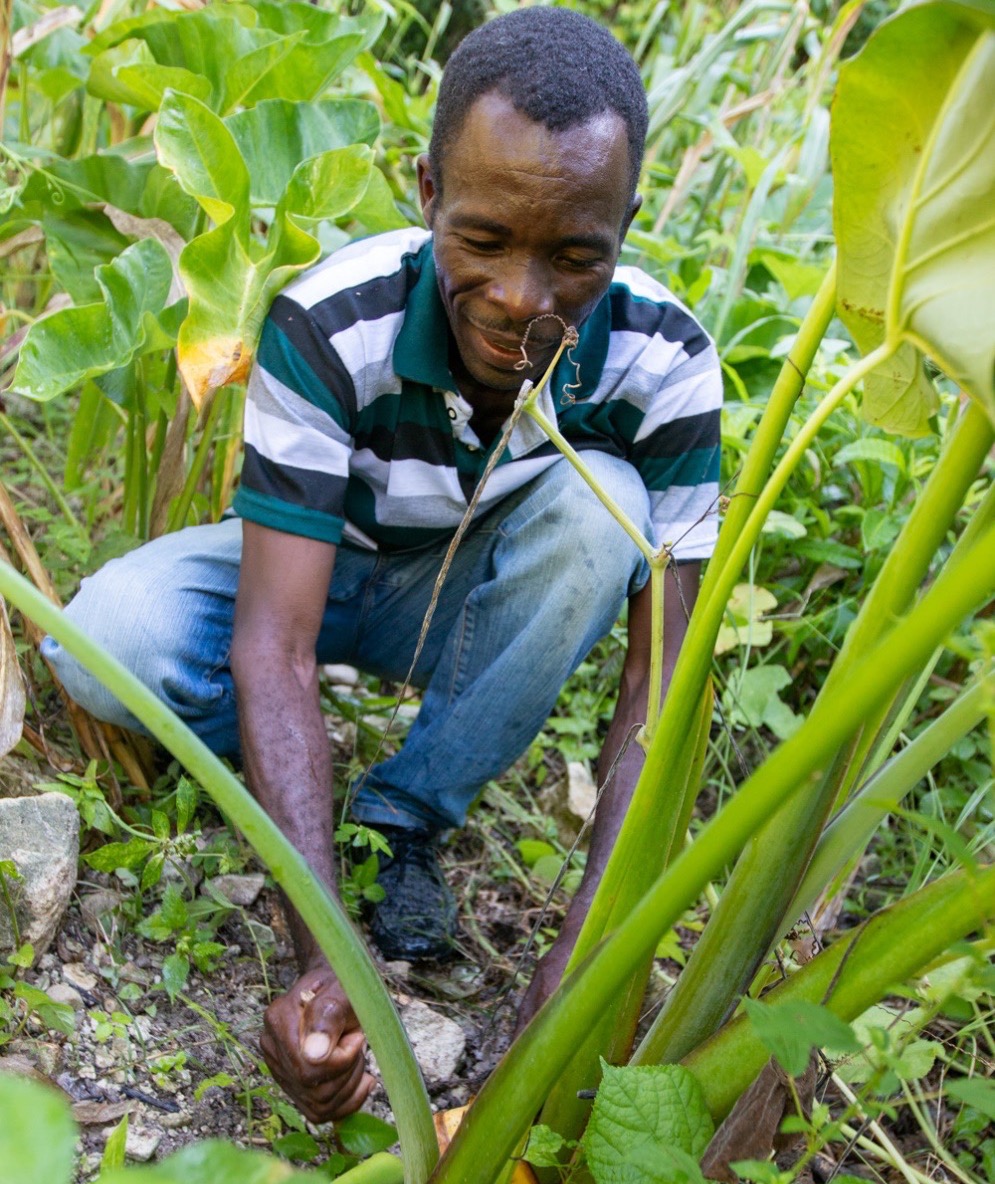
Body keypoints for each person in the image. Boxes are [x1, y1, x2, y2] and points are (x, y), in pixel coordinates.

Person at [44, 8, 721, 1123]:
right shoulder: (330, 320)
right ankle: (283, 789)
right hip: (311, 572)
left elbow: (661, 691)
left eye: (573, 256)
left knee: (612, 518)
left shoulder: (666, 357)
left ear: (624, 224)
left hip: (478, 593)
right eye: (484, 239)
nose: (521, 300)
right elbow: (275, 641)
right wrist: (324, 968)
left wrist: (582, 971)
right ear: (425, 195)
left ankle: (401, 814)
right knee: (107, 639)